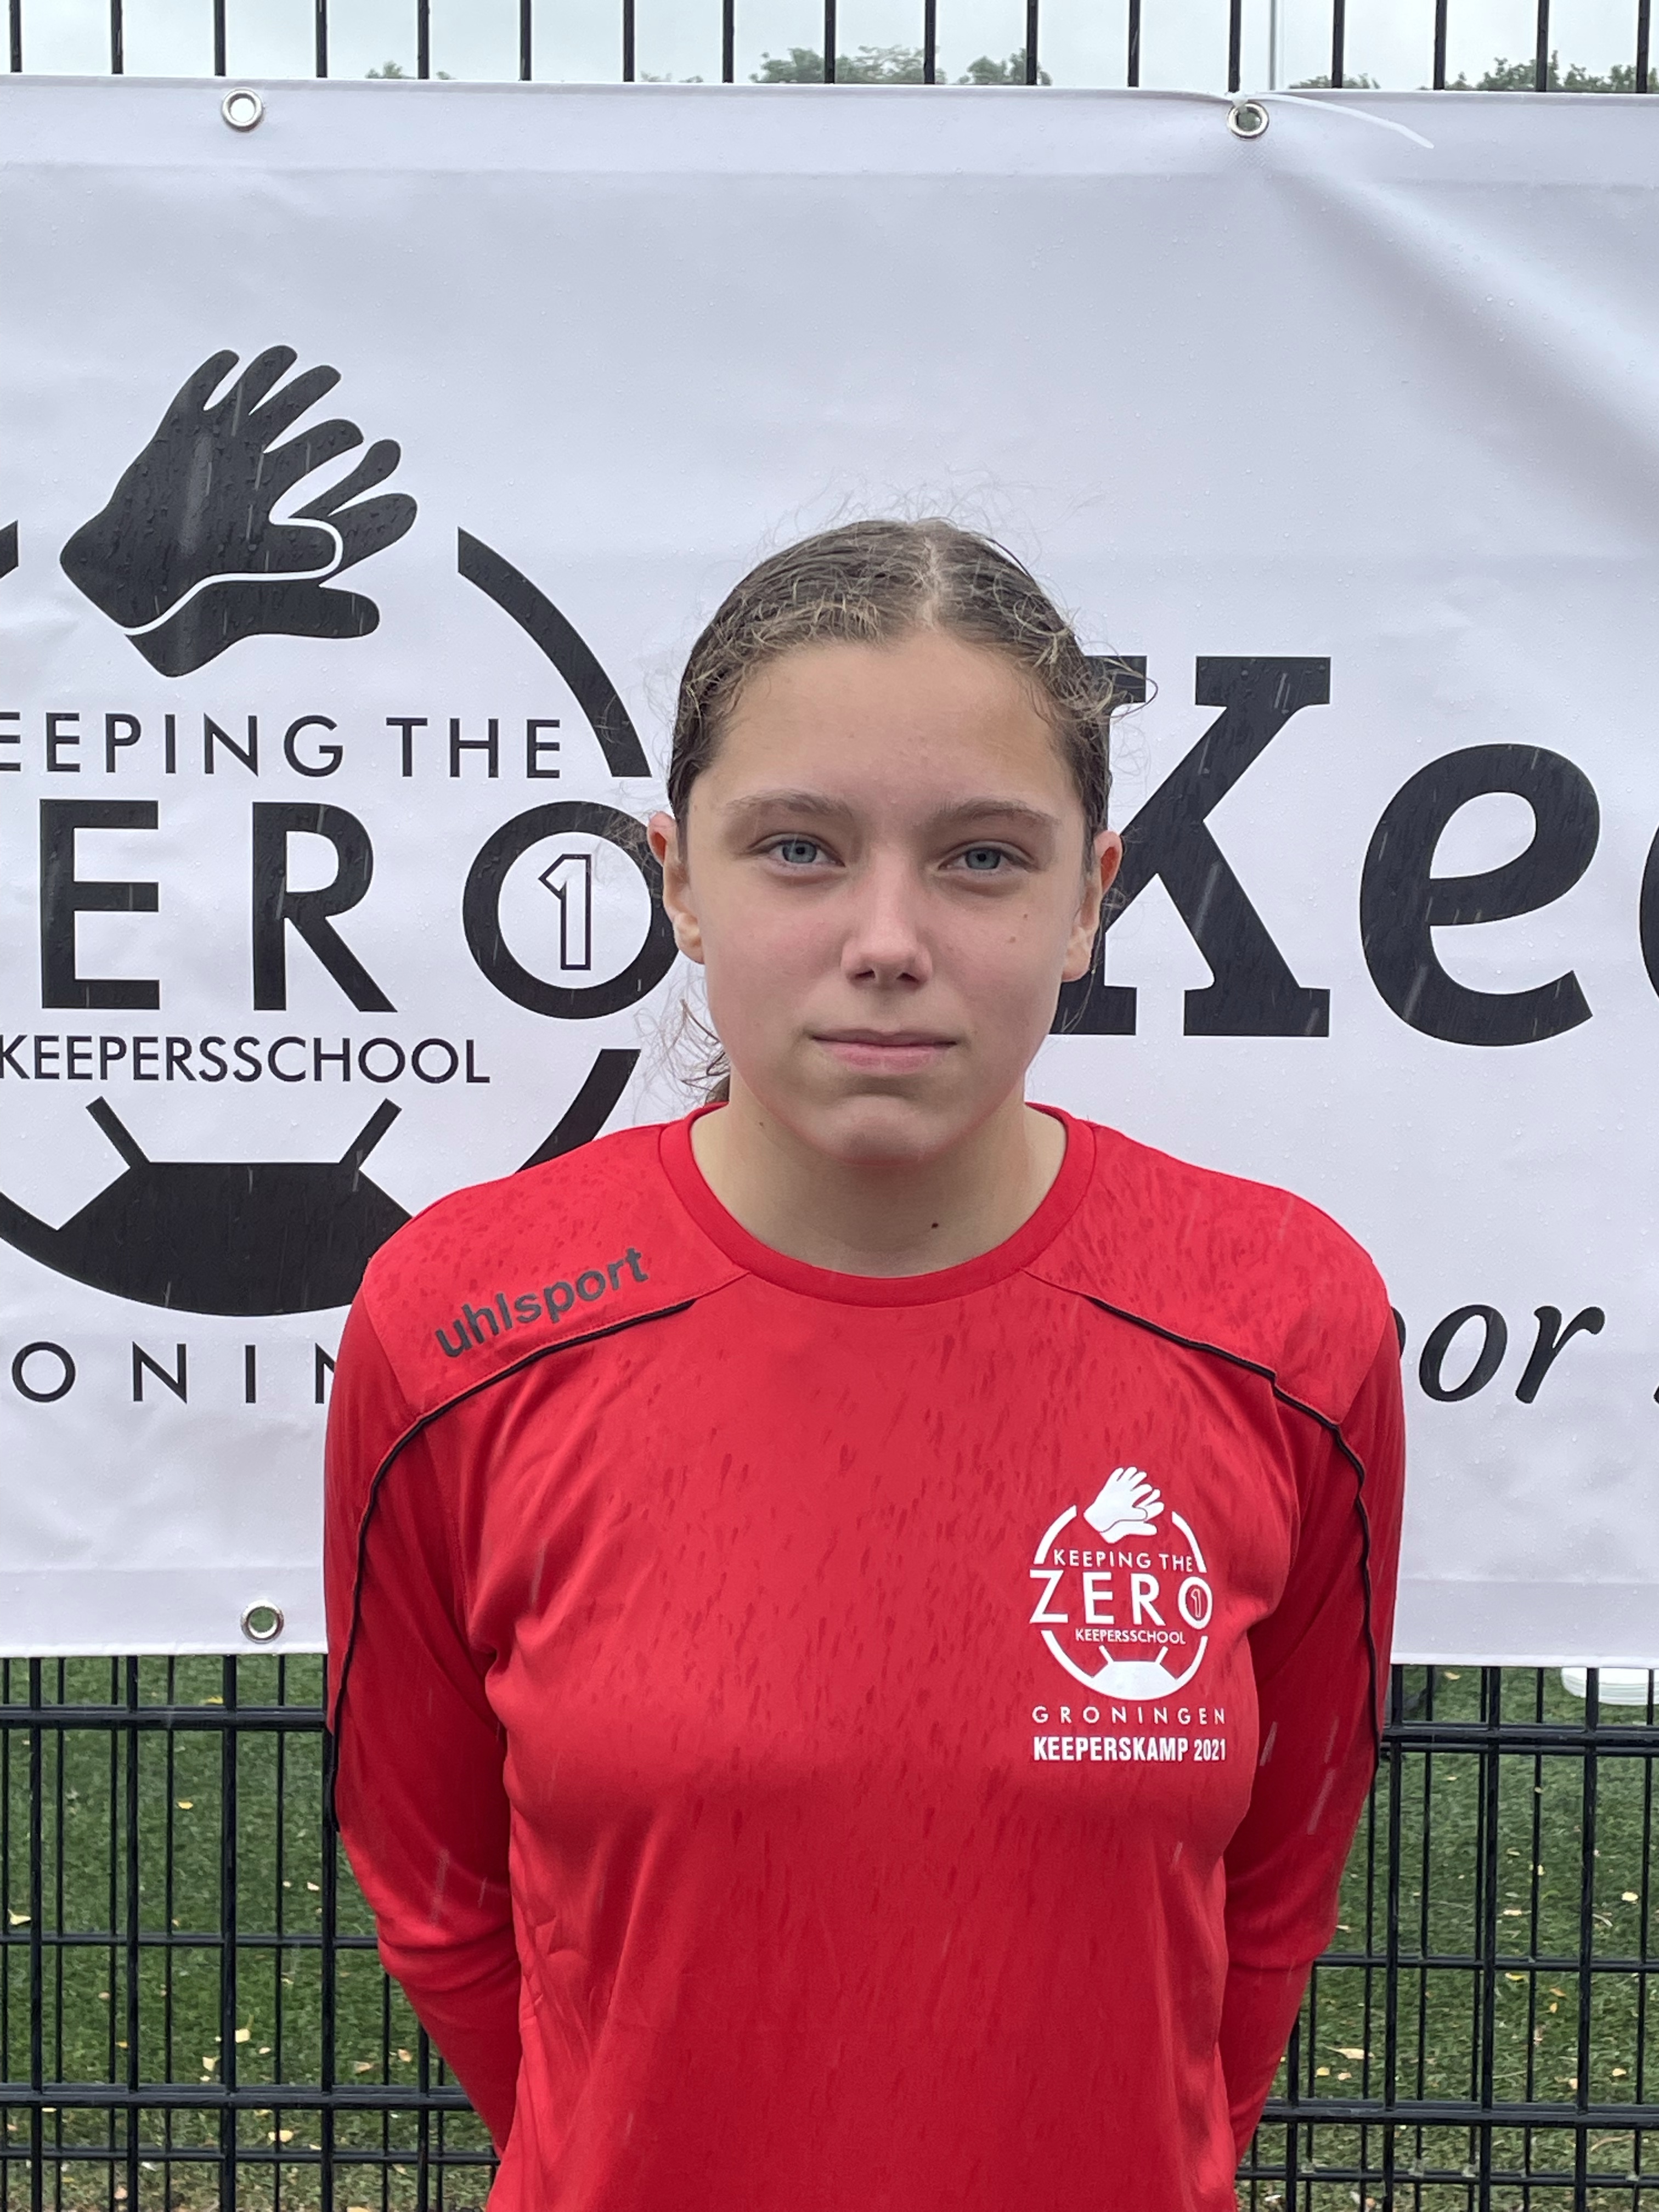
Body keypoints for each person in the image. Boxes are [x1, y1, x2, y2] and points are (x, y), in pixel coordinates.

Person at [324, 518, 1405, 2211]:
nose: (888, 937)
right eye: (800, 849)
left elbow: (1272, 1898)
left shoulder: (1286, 1320)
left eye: (981, 857)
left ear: (1090, 897)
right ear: (680, 880)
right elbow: (437, 1888)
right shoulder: (459, 1319)